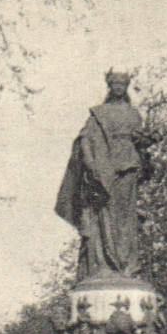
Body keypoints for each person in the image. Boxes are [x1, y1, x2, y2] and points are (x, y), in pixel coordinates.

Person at [54, 70, 157, 280]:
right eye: (115, 84)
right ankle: (105, 264)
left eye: (122, 84)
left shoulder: (134, 114)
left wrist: (146, 141)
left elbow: (141, 144)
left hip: (128, 167)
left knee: (126, 216)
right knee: (104, 216)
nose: (119, 87)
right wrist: (92, 165)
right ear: (110, 87)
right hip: (106, 171)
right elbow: (84, 139)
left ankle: (128, 265)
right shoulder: (98, 113)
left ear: (126, 87)